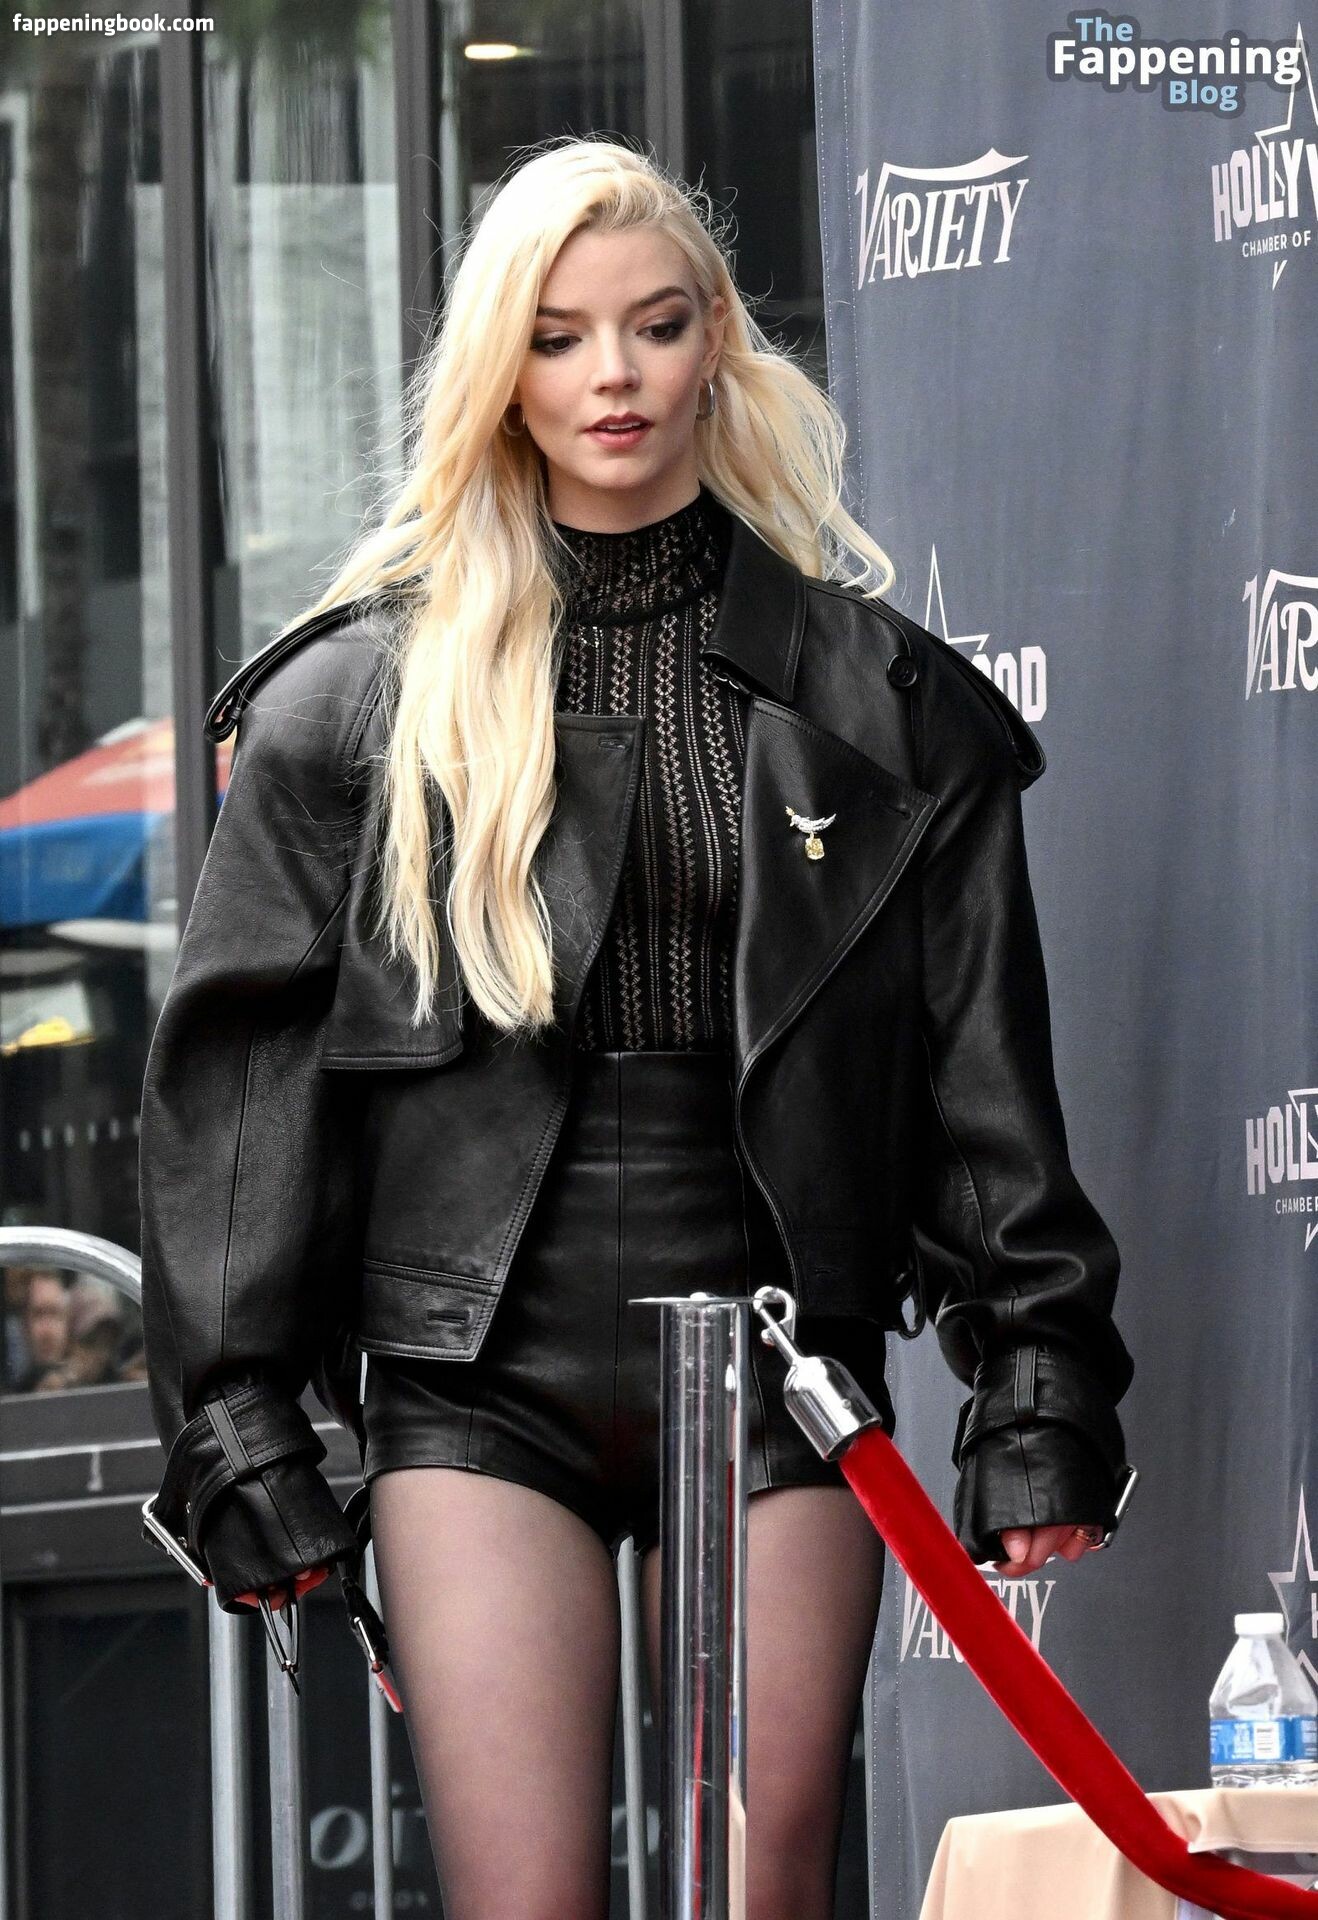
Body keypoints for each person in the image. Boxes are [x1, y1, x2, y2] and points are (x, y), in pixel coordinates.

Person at [139, 136, 1135, 1919]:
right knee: (525, 1903)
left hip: (780, 1357)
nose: (613, 375)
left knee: (763, 1891)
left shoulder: (887, 703)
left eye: (656, 326)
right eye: (558, 336)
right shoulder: (354, 707)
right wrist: (240, 1430)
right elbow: (236, 1105)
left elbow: (980, 1070)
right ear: (498, 369)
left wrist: (1036, 1384)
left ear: (717, 342)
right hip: (474, 1374)